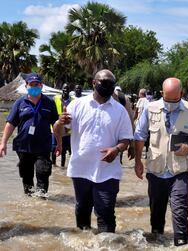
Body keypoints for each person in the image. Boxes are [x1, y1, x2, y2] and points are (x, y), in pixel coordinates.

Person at [53, 69, 133, 233]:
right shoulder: (77, 105)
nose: (108, 86)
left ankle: (107, 245)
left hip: (108, 171)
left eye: (111, 83)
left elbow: (126, 139)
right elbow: (60, 132)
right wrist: (59, 123)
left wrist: (117, 149)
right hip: (81, 170)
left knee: (105, 213)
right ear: (94, 83)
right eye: (104, 82)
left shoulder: (119, 110)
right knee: (82, 210)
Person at [134, 77, 188, 246]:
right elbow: (140, 135)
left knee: (180, 212)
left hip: (180, 172)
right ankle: (157, 242)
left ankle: (181, 244)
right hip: (156, 170)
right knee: (156, 216)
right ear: (162, 94)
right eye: (166, 99)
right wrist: (138, 161)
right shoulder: (150, 108)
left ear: (181, 94)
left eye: (174, 100)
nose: (170, 104)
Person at [0, 73, 59, 196]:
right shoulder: (20, 103)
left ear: (41, 85)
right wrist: (3, 143)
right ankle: (29, 200)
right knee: (27, 178)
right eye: (31, 84)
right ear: (26, 86)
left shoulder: (49, 103)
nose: (34, 87)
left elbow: (56, 125)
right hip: (23, 147)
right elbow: (11, 124)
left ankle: (41, 204)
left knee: (43, 174)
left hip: (43, 147)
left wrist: (59, 144)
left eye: (37, 84)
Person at [52, 83, 73, 167]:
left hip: (68, 129)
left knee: (64, 150)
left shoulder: (73, 100)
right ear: (61, 89)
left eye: (67, 89)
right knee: (53, 148)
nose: (65, 91)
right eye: (64, 89)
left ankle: (62, 167)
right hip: (56, 127)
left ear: (69, 91)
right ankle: (53, 165)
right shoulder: (55, 98)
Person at [113, 86, 135, 162]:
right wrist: (132, 145)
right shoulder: (124, 98)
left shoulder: (123, 99)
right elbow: (130, 121)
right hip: (119, 138)